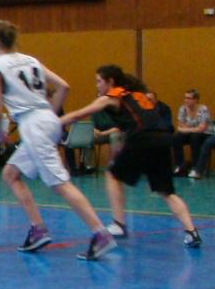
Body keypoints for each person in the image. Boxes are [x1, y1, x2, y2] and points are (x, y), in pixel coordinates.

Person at [0, 20, 115, 260]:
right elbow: (64, 87)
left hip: (33, 125)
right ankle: (38, 229)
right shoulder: (30, 60)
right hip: (47, 119)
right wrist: (49, 115)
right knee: (10, 174)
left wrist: (0, 134)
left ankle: (100, 233)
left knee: (60, 183)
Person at [59, 65, 201, 248]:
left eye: (99, 81)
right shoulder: (137, 95)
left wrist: (54, 122)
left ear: (110, 81)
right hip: (164, 139)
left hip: (143, 138)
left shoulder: (112, 97)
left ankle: (119, 224)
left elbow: (79, 114)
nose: (97, 85)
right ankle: (192, 232)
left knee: (112, 174)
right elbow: (133, 122)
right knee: (166, 191)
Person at [171, 89, 211, 176]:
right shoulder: (182, 109)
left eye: (189, 98)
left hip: (204, 134)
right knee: (176, 137)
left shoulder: (203, 109)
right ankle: (180, 165)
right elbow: (180, 126)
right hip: (190, 133)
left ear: (196, 100)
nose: (186, 100)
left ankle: (196, 167)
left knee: (195, 137)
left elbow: (202, 128)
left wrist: (187, 128)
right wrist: (193, 129)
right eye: (185, 98)